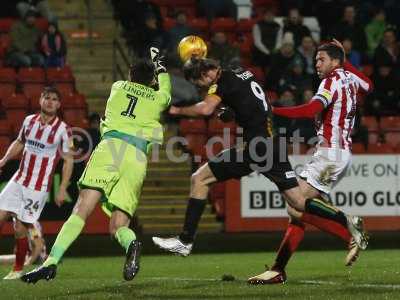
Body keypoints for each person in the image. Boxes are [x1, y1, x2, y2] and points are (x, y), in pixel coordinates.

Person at [151, 56, 368, 282]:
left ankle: (185, 241)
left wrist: (175, 111)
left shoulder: (221, 82)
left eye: (200, 84)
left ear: (206, 75)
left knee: (199, 178)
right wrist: (230, 110)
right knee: (297, 202)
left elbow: (206, 109)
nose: (202, 88)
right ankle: (346, 219)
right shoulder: (240, 71)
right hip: (272, 145)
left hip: (254, 148)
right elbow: (253, 102)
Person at [21, 48, 171, 284]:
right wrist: (160, 66)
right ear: (152, 80)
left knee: (82, 207)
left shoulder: (118, 87)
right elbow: (166, 90)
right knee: (119, 225)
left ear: (131, 76)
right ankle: (132, 243)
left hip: (111, 148)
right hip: (138, 158)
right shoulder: (159, 98)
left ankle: (50, 263)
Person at [248, 40, 373, 284]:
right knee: (296, 210)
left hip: (331, 154)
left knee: (297, 203)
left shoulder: (330, 81)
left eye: (321, 59)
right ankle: (278, 269)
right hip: (334, 153)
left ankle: (348, 223)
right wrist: (346, 60)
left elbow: (310, 110)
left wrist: (274, 112)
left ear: (334, 61)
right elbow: (369, 84)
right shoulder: (349, 77)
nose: (316, 63)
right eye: (316, 59)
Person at [0, 86, 73, 280]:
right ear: (40, 100)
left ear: (59, 105)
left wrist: (63, 188)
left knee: (19, 229)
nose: (50, 101)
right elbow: (19, 142)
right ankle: (17, 266)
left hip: (37, 187)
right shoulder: (28, 121)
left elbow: (68, 160)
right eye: (47, 97)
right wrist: (3, 160)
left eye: (54, 99)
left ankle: (17, 269)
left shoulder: (63, 130)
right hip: (19, 178)